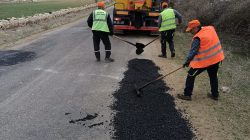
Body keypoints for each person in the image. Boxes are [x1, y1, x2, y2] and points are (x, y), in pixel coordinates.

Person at [177, 20, 225, 101]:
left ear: (196, 28)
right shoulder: (210, 28)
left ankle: (187, 95)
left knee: (190, 75)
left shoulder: (198, 38)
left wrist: (186, 62)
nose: (190, 32)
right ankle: (215, 95)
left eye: (191, 30)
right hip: (217, 58)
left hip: (206, 61)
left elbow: (192, 52)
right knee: (213, 76)